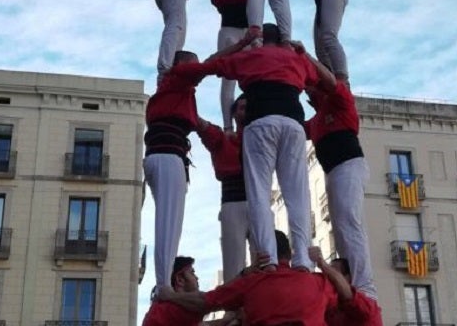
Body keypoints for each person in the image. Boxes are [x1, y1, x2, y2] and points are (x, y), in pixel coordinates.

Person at [191, 24, 335, 269]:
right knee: (297, 193)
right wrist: (304, 53)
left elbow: (208, 66)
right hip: (293, 122)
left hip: (260, 124)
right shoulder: (294, 58)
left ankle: (267, 257)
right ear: (282, 40)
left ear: (260, 41)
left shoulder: (249, 55)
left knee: (259, 192)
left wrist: (240, 44)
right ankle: (302, 259)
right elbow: (330, 82)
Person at [159, 230, 339, 325]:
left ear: (261, 254)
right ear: (289, 255)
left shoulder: (250, 284)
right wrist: (322, 264)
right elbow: (347, 295)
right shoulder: (317, 282)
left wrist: (169, 295)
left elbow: (207, 301)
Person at [304, 79, 377, 300]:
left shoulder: (340, 102)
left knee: (349, 222)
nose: (309, 93)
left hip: (349, 166)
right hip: (334, 172)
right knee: (342, 228)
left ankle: (363, 283)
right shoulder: (315, 122)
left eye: (312, 88)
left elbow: (332, 79)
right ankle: (348, 274)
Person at [143, 50, 208, 292]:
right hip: (168, 156)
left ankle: (164, 282)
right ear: (180, 66)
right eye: (193, 65)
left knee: (169, 220)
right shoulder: (177, 81)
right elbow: (212, 65)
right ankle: (164, 286)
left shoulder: (173, 92)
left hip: (162, 157)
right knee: (169, 222)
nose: (196, 70)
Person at [189, 0, 248, 130]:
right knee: (228, 79)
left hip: (250, 31)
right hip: (229, 31)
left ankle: (253, 118)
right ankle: (228, 127)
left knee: (255, 77)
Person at [196, 95, 252, 282]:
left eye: (249, 107)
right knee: (233, 263)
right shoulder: (222, 139)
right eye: (242, 107)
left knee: (265, 257)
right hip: (232, 202)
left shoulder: (262, 136)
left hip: (256, 201)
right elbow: (202, 126)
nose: (246, 111)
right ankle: (234, 309)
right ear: (234, 114)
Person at [309, 248, 383, 326]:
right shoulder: (331, 308)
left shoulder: (366, 306)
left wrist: (322, 264)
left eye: (333, 272)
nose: (328, 277)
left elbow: (349, 296)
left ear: (347, 278)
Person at [142, 256, 204, 325]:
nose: (197, 278)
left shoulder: (161, 311)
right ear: (179, 280)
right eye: (192, 273)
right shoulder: (167, 312)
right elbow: (209, 301)